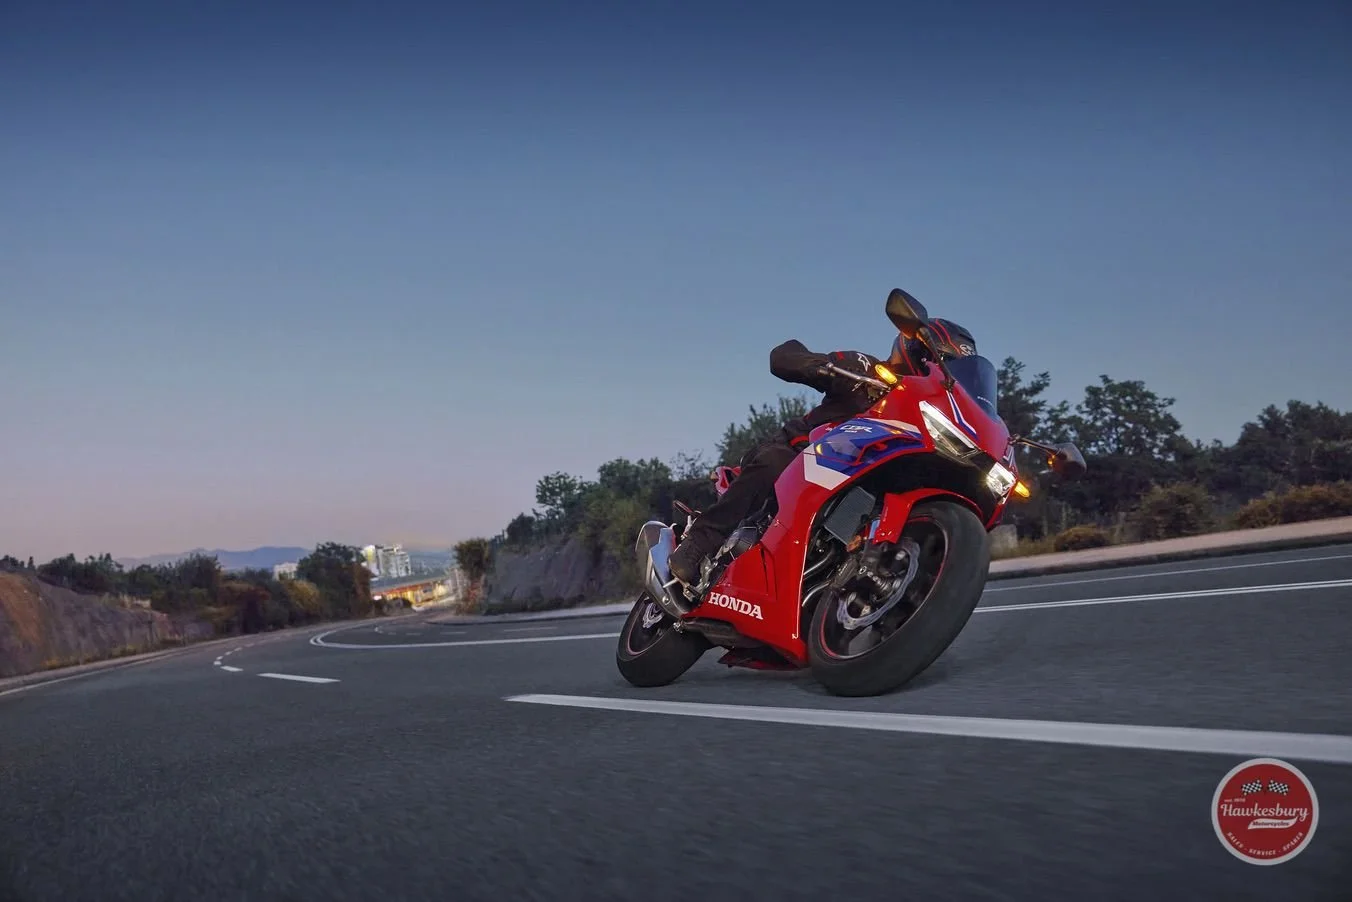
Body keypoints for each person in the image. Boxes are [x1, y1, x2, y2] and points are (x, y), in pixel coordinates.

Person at [666, 292, 978, 587]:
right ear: (915, 348)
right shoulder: (868, 371)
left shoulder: (928, 416)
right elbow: (783, 358)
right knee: (777, 463)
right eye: (934, 360)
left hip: (856, 483)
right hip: (803, 454)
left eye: (948, 368)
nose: (937, 371)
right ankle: (700, 541)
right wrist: (810, 364)